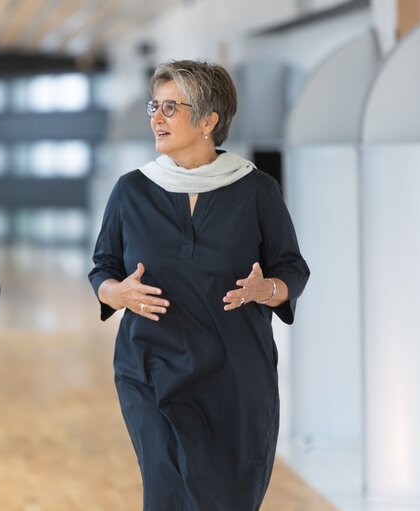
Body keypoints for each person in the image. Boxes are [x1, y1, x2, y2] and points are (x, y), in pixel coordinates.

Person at [89, 59, 309, 510]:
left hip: (236, 379)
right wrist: (118, 293)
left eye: (171, 107)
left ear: (209, 120)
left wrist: (264, 289)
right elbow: (102, 268)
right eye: (156, 105)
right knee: (166, 492)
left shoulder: (257, 191)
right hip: (149, 369)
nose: (157, 117)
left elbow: (292, 269)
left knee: (227, 499)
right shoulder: (132, 190)